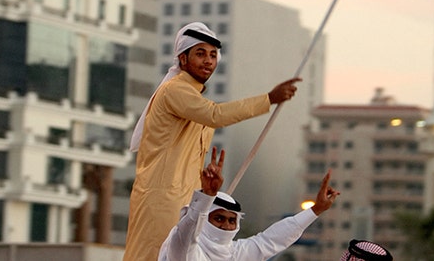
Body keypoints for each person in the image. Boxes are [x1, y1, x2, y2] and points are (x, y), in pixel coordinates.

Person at [123, 22, 301, 261]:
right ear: (182, 59)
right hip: (162, 197)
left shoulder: (192, 95)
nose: (208, 61)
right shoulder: (175, 90)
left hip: (188, 197)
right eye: (200, 53)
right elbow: (215, 115)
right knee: (152, 255)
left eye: (213, 55)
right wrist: (268, 99)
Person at [159, 147, 340, 261]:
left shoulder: (236, 253)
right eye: (219, 218)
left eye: (232, 221)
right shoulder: (184, 249)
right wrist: (207, 196)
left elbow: (271, 239)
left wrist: (315, 210)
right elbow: (187, 233)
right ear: (205, 218)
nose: (226, 225)